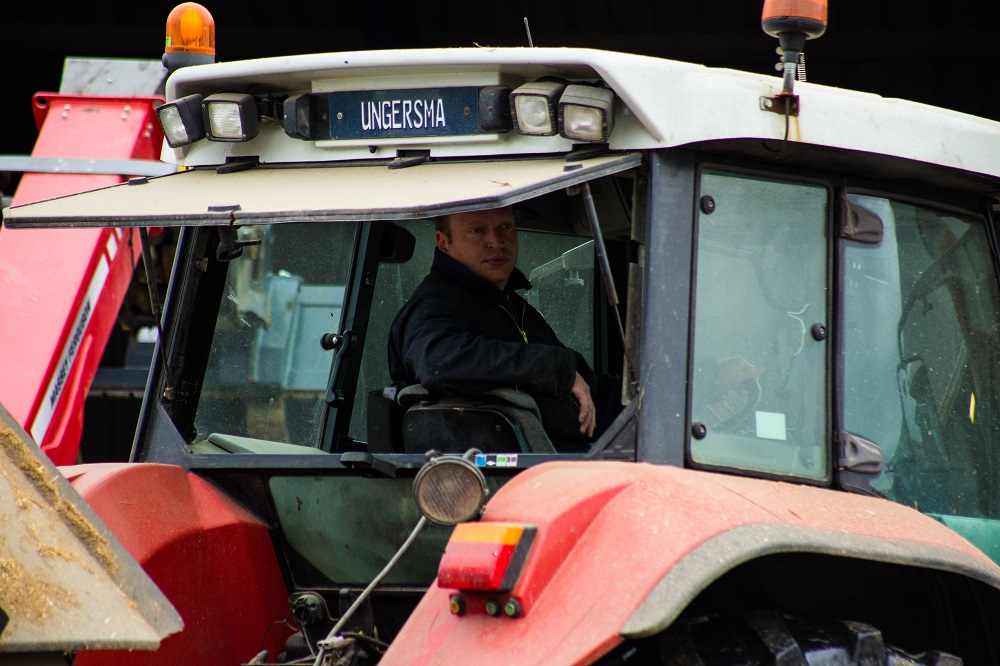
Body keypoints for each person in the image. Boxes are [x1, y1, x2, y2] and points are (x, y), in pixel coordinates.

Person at [387, 205, 618, 452]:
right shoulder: (430, 308)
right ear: (444, 243)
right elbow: (440, 364)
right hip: (490, 479)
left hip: (567, 466)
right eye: (477, 230)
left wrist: (646, 397)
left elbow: (591, 389)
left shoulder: (516, 309)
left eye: (505, 227)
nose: (496, 242)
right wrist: (553, 369)